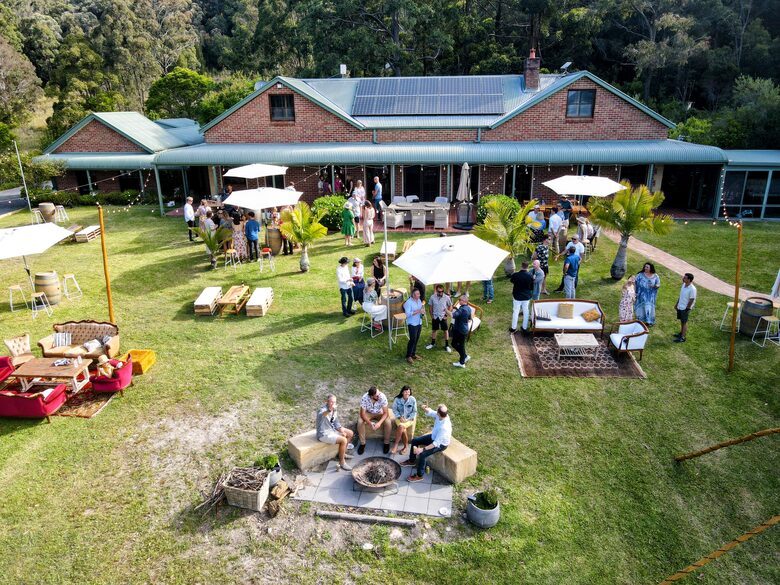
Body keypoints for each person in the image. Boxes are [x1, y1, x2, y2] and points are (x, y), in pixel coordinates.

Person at [402, 404, 451, 482]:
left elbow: (435, 444)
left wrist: (422, 449)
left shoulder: (444, 427)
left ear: (439, 413)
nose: (436, 411)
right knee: (415, 441)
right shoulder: (441, 415)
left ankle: (419, 475)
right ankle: (412, 461)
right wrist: (425, 409)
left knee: (423, 454)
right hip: (434, 437)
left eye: (437, 410)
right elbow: (432, 412)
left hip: (441, 444)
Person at [316, 394, 354, 471]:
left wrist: (341, 430)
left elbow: (336, 422)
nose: (333, 404)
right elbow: (322, 415)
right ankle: (342, 462)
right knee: (343, 440)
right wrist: (330, 410)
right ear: (327, 401)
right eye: (331, 402)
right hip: (324, 433)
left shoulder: (334, 410)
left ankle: (343, 453)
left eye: (334, 402)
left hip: (332, 430)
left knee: (350, 433)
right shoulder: (322, 410)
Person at [357, 386, 391, 454]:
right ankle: (362, 443)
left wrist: (379, 423)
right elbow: (362, 414)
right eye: (377, 396)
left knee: (388, 422)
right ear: (371, 396)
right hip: (368, 413)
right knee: (360, 422)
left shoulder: (382, 397)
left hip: (380, 413)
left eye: (379, 394)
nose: (379, 396)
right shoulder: (365, 398)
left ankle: (386, 443)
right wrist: (370, 423)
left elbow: (386, 413)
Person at [391, 386, 417, 455]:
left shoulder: (412, 399)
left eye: (408, 392)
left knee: (401, 426)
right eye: (405, 392)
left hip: (409, 419)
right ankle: (405, 446)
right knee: (403, 429)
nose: (407, 393)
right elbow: (394, 409)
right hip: (399, 419)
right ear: (402, 392)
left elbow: (414, 412)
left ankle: (396, 445)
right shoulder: (397, 399)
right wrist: (399, 417)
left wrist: (407, 419)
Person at [426, 284, 452, 352]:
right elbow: (430, 307)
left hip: (443, 317)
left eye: (442, 291)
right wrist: (432, 316)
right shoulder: (432, 297)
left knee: (445, 331)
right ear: (436, 290)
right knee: (434, 330)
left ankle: (447, 345)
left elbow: (450, 306)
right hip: (435, 316)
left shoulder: (446, 297)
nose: (441, 293)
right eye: (439, 291)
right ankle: (432, 343)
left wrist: (446, 315)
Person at [510, 261, 534, 333]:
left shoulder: (515, 275)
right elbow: (531, 288)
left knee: (516, 311)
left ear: (521, 266)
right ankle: (524, 327)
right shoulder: (530, 276)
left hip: (517, 296)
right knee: (526, 311)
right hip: (526, 296)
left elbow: (512, 281)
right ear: (528, 266)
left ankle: (513, 328)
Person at [448, 295, 471, 368]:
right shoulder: (468, 308)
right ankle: (465, 356)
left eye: (460, 300)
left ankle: (462, 362)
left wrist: (445, 310)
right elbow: (469, 318)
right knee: (460, 345)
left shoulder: (461, 309)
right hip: (465, 329)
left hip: (459, 330)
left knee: (455, 344)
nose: (459, 301)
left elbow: (453, 315)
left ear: (464, 301)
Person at [403, 288, 425, 364]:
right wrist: (418, 311)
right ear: (413, 295)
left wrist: (422, 313)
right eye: (417, 294)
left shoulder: (419, 301)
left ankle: (413, 354)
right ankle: (408, 356)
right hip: (412, 323)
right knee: (412, 339)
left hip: (419, 322)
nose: (419, 295)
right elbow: (407, 314)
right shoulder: (408, 303)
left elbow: (421, 310)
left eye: (419, 293)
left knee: (416, 339)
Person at [674, 273, 697, 343]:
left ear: (689, 280)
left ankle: (683, 337)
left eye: (685, 278)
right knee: (682, 321)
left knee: (684, 322)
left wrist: (687, 308)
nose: (683, 278)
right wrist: (677, 304)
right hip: (680, 306)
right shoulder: (683, 285)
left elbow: (692, 299)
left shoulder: (692, 289)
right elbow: (681, 296)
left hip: (685, 308)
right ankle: (681, 333)